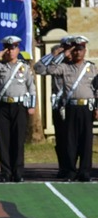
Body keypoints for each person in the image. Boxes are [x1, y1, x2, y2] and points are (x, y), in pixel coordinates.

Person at [34, 35, 96, 181]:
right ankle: (68, 170)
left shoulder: (90, 68)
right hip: (66, 107)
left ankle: (84, 172)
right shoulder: (61, 65)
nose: (75, 52)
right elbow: (39, 69)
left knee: (85, 141)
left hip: (85, 107)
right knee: (68, 142)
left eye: (78, 49)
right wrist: (58, 54)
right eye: (73, 49)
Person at [0, 36, 35, 182]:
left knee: (18, 140)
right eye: (7, 48)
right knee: (3, 141)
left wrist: (32, 106)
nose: (10, 51)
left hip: (19, 106)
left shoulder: (25, 67)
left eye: (13, 47)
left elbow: (31, 87)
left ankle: (18, 172)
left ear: (18, 49)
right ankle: (5, 172)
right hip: (2, 106)